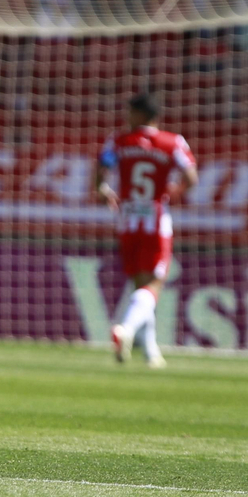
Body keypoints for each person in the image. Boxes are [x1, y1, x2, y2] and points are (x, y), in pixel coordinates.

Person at [93, 92, 198, 368]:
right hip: (155, 219)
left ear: (141, 114)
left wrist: (104, 191)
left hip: (127, 220)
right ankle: (125, 330)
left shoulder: (118, 141)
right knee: (153, 286)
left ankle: (151, 353)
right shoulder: (172, 142)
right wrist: (175, 190)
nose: (126, 117)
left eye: (130, 112)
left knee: (140, 285)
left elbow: (99, 172)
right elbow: (190, 176)